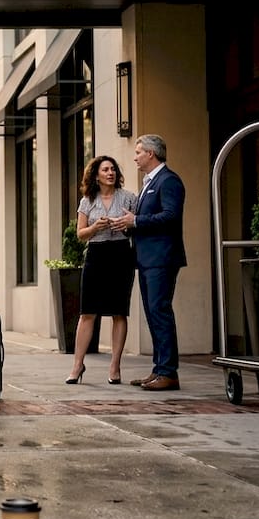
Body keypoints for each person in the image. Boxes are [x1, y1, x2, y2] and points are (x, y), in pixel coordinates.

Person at [111, 134, 186, 391]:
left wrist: (136, 221)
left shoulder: (169, 180)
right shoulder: (149, 182)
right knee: (153, 314)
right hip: (146, 259)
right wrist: (128, 224)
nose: (135, 157)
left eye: (138, 152)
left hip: (161, 259)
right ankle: (158, 369)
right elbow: (146, 220)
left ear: (151, 154)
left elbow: (171, 216)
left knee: (159, 312)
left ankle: (168, 372)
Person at [65, 156, 138, 385]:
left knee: (119, 312)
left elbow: (136, 227)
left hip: (121, 255)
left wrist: (125, 226)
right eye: (105, 169)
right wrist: (95, 227)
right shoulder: (87, 201)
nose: (110, 173)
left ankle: (115, 366)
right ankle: (77, 365)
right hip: (96, 255)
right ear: (96, 175)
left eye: (113, 169)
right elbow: (80, 234)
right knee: (87, 312)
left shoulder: (129, 198)